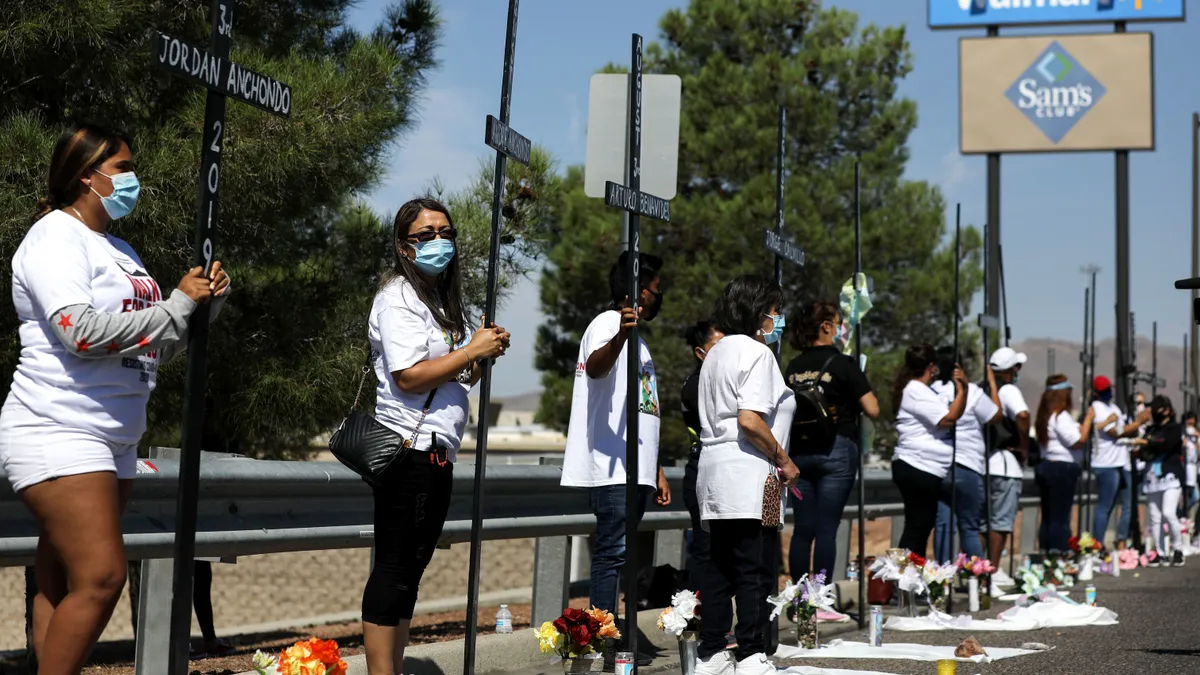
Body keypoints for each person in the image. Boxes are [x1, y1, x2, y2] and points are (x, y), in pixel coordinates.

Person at [0, 123, 231, 674]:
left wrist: (204, 307)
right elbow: (79, 331)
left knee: (61, 582)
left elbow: (154, 346)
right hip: (56, 425)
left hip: (114, 435)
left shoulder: (119, 248)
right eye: (124, 168)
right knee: (103, 577)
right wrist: (177, 303)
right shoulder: (54, 236)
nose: (134, 179)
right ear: (87, 175)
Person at [362, 197, 510, 675]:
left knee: (411, 571)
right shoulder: (397, 298)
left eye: (445, 232)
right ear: (404, 247)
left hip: (438, 452)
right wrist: (470, 349)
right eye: (425, 235)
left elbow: (458, 379)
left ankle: (395, 668)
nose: (438, 242)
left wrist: (481, 356)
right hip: (407, 447)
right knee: (394, 567)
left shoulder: (442, 303)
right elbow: (408, 376)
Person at [561, 251, 671, 661]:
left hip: (636, 468)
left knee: (624, 558)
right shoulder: (608, 325)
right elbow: (594, 367)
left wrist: (655, 468)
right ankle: (600, 643)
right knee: (611, 556)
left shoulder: (638, 340)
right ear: (640, 292)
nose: (660, 297)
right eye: (656, 290)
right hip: (613, 468)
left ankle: (613, 639)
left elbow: (640, 410)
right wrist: (621, 335)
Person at [695, 276, 799, 675]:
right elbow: (750, 420)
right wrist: (784, 459)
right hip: (753, 472)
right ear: (760, 314)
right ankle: (753, 652)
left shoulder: (717, 353)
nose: (778, 318)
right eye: (774, 311)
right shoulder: (758, 354)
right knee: (756, 566)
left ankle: (712, 652)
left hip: (715, 471)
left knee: (720, 566)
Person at [784, 300, 878, 581]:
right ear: (826, 327)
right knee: (826, 529)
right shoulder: (841, 363)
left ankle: (800, 599)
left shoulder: (793, 365)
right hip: (836, 450)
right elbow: (873, 408)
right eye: (838, 323)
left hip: (799, 452)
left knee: (803, 529)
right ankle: (821, 597)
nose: (841, 329)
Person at [890, 344, 968, 557]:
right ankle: (904, 580)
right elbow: (948, 419)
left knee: (921, 526)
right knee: (917, 527)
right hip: (917, 465)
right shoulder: (915, 390)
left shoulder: (921, 390)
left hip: (926, 467)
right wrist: (963, 389)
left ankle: (911, 579)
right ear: (931, 367)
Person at [931, 347, 1001, 563]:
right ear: (958, 367)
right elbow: (996, 416)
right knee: (969, 526)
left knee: (943, 526)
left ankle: (941, 581)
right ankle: (976, 582)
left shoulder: (929, 391)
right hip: (967, 466)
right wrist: (992, 385)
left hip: (938, 466)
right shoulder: (971, 391)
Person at [1033, 375, 1101, 552]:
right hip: (1061, 469)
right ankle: (1058, 554)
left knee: (1048, 516)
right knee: (1060, 517)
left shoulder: (1045, 416)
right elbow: (1078, 441)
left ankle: (1046, 551)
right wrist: (1088, 419)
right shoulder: (1060, 416)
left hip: (1048, 466)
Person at [982, 347, 1031, 589]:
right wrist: (1024, 447)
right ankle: (992, 569)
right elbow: (1022, 415)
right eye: (1017, 367)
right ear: (1010, 370)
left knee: (983, 521)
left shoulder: (982, 389)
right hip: (1005, 464)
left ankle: (979, 568)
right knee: (1000, 521)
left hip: (983, 464)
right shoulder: (1009, 390)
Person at [681, 321, 724, 582]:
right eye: (717, 347)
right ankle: (696, 615)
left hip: (719, 471)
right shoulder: (696, 385)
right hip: (702, 470)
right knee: (706, 549)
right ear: (700, 353)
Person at [1090, 376, 1149, 550]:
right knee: (1105, 506)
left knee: (1126, 506)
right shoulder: (1097, 408)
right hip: (1106, 464)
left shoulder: (1113, 407)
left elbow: (1125, 432)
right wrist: (1138, 422)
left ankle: (1120, 541)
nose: (1109, 392)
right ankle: (1097, 544)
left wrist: (1134, 432)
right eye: (1105, 390)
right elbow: (1116, 432)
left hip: (1119, 463)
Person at [1131, 395, 1187, 567]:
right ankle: (1161, 553)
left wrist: (1146, 443)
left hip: (1170, 476)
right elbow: (1143, 450)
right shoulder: (1152, 430)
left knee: (1169, 513)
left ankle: (1178, 549)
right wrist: (1140, 448)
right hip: (1152, 478)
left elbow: (1166, 444)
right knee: (1155, 517)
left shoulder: (1175, 428)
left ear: (1168, 410)